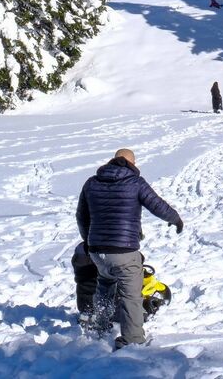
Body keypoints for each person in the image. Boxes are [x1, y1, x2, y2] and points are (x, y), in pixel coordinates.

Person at [76, 148, 183, 349]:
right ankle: (132, 339)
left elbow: (81, 216)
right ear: (132, 163)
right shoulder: (135, 183)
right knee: (131, 295)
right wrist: (175, 219)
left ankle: (100, 326)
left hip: (98, 250)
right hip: (124, 251)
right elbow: (157, 205)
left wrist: (88, 242)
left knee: (105, 285)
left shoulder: (91, 182)